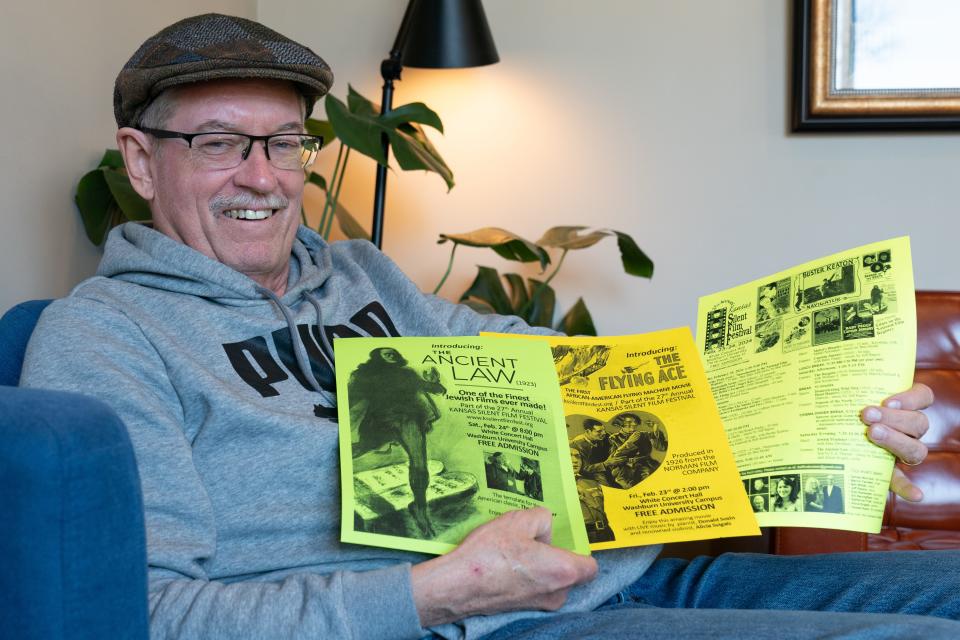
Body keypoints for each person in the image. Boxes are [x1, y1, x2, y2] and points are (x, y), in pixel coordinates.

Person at [19, 12, 958, 640]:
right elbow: (152, 611)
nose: (263, 177)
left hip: (609, 575)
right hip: (475, 622)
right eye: (219, 144)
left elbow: (553, 371)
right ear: (140, 164)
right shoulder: (105, 337)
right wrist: (430, 594)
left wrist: (819, 406)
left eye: (287, 144)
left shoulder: (359, 273)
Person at [348, 347, 446, 537]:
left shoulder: (406, 374)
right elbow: (350, 398)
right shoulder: (366, 374)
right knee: (359, 449)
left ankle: (420, 508)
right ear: (378, 357)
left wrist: (436, 383)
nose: (391, 355)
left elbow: (434, 389)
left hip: (408, 419)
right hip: (379, 423)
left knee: (419, 463)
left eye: (393, 353)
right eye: (386, 353)